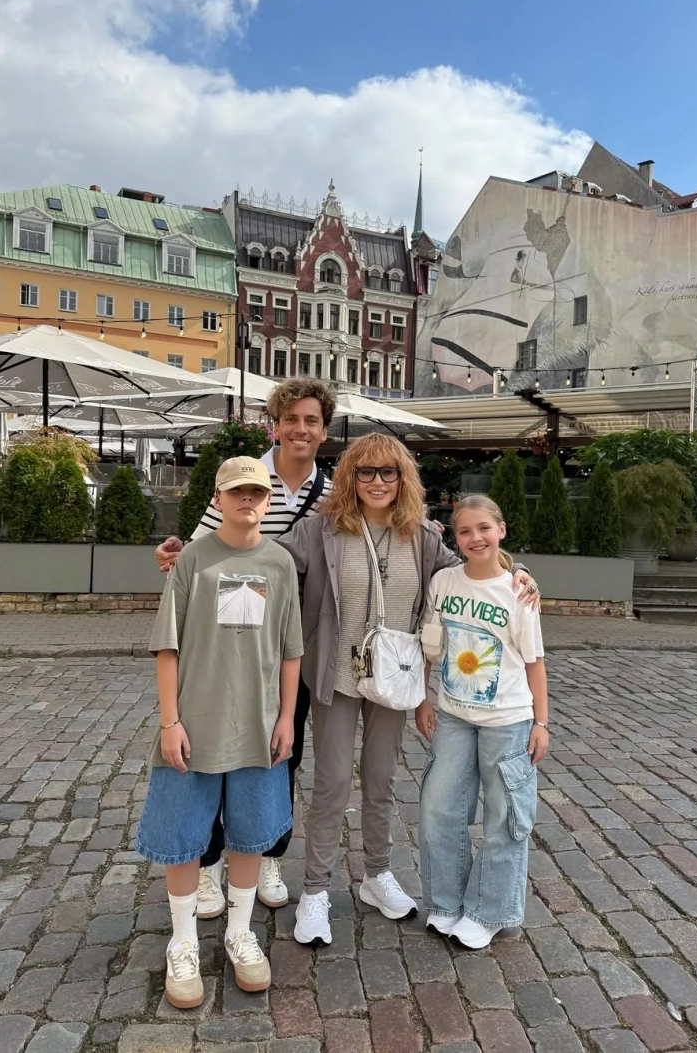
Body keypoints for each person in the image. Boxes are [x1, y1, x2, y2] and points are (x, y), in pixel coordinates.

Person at [277, 435, 539, 947]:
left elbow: (474, 566)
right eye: (366, 472)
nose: (377, 482)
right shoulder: (321, 529)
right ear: (350, 477)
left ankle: (376, 874)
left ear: (403, 478)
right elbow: (267, 561)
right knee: (332, 782)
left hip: (395, 678)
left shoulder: (419, 535)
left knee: (380, 780)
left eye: (388, 472)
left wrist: (520, 570)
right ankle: (315, 890)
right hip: (336, 675)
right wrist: (192, 556)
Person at [154, 378, 337, 916]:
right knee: (210, 751)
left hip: (291, 638)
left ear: (324, 431)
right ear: (275, 426)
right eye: (291, 419)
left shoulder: (333, 493)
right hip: (228, 638)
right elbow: (199, 550)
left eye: (311, 421)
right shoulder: (245, 476)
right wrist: (173, 554)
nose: (301, 429)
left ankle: (267, 852)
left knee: (281, 750)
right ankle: (209, 863)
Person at [136, 457, 303, 1006]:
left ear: (268, 500)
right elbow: (167, 646)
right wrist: (170, 721)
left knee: (250, 833)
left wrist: (286, 717)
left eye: (256, 492)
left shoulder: (280, 563)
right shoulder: (193, 559)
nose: (247, 500)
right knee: (184, 836)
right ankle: (183, 942)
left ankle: (239, 932)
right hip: (196, 722)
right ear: (219, 499)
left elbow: (291, 650)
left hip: (258, 724)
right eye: (236, 492)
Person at [416, 494, 549, 949]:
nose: (475, 538)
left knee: (505, 816)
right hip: (453, 715)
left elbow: (534, 662)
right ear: (455, 538)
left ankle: (489, 911)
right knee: (439, 808)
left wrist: (542, 723)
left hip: (508, 720)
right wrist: (423, 698)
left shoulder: (518, 592)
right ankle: (446, 901)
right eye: (465, 531)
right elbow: (431, 645)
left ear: (501, 530)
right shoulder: (444, 582)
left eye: (484, 528)